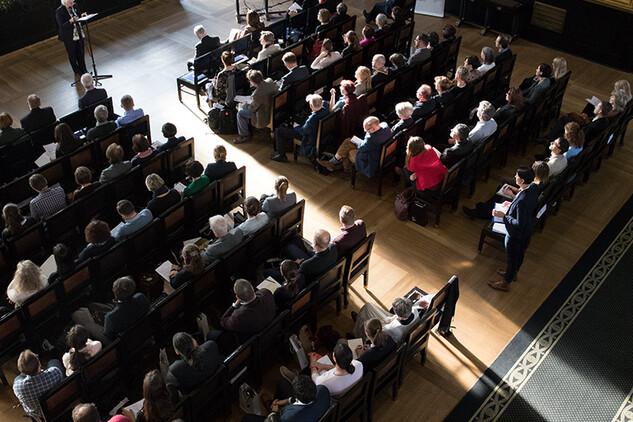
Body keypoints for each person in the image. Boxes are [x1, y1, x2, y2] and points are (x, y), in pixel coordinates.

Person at [489, 167, 540, 292]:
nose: (514, 177)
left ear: (522, 180)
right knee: (519, 254)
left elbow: (518, 223)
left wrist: (504, 216)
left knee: (512, 258)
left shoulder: (522, 201)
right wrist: (512, 204)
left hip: (516, 234)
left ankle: (506, 283)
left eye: (516, 176)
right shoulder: (533, 187)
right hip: (527, 230)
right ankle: (513, 273)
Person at [463, 161, 549, 220]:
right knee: (500, 192)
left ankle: (480, 213)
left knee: (501, 197)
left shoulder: (536, 186)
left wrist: (511, 194)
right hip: (519, 199)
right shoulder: (541, 182)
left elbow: (522, 200)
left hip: (517, 207)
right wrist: (514, 189)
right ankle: (484, 207)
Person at [317, 116, 392, 178]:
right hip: (378, 152)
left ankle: (345, 168)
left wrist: (357, 142)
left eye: (366, 130)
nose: (366, 132)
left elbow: (362, 148)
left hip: (371, 160)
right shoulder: (385, 126)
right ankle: (335, 163)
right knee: (348, 141)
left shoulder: (371, 140)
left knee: (349, 151)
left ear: (373, 128)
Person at [243, 374, 330, 422]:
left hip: (297, 417)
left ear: (296, 396)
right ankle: (274, 403)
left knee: (247, 419)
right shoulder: (323, 390)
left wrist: (273, 413)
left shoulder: (288, 417)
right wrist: (285, 401)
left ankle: (272, 411)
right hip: (315, 413)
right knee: (283, 383)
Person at [214, 278, 276, 343]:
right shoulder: (266, 293)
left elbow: (223, 321)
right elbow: (259, 293)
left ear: (237, 298)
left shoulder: (238, 316)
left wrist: (234, 305)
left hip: (253, 339)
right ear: (252, 288)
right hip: (271, 331)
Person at [271, 94, 328, 162]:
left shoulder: (311, 120)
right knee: (294, 117)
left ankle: (281, 155)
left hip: (308, 137)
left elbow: (303, 131)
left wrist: (296, 126)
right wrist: (312, 98)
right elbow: (322, 101)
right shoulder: (326, 107)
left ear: (310, 105)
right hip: (316, 131)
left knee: (278, 131)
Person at [13, 349, 64, 420]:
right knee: (53, 362)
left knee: (17, 378)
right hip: (61, 404)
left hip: (40, 415)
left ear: (23, 372)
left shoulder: (18, 387)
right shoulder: (55, 372)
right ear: (39, 364)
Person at [352, 296, 425, 343]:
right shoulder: (414, 310)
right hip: (395, 323)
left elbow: (380, 330)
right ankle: (360, 318)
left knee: (365, 322)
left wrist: (382, 324)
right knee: (368, 306)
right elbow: (392, 319)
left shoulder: (392, 329)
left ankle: (357, 334)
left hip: (392, 331)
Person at [235, 69, 277, 144]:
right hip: (273, 109)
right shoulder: (270, 81)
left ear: (253, 82)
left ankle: (244, 135)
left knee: (240, 114)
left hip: (264, 114)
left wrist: (245, 105)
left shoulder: (257, 94)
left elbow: (252, 108)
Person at [56, 0, 88, 75]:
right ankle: (77, 71)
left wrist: (82, 16)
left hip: (78, 33)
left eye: (73, 2)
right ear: (65, 2)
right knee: (72, 54)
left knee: (80, 52)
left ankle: (84, 69)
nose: (72, 4)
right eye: (70, 2)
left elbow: (78, 16)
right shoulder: (59, 11)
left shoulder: (74, 6)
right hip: (69, 36)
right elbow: (62, 26)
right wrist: (70, 21)